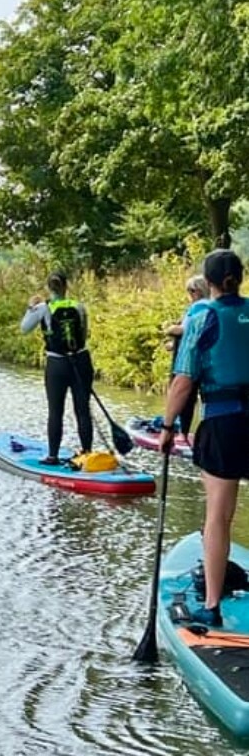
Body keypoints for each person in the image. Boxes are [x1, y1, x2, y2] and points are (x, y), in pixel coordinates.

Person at [159, 249, 249, 628]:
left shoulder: (201, 314)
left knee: (218, 516)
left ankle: (212, 605)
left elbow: (183, 382)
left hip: (224, 423)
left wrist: (166, 428)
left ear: (208, 281)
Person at [20, 271, 94, 465]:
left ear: (49, 287)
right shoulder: (79, 306)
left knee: (56, 411)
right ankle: (86, 454)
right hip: (81, 361)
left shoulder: (43, 308)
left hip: (57, 364)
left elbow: (24, 328)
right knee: (83, 410)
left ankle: (52, 456)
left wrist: (30, 307)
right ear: (66, 286)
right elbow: (84, 335)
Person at [163, 274, 210, 434]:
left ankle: (180, 431)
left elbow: (185, 330)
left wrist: (169, 330)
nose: (189, 295)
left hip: (193, 362)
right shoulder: (210, 307)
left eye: (191, 291)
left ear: (199, 291)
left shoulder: (199, 307)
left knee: (185, 396)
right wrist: (173, 345)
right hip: (203, 359)